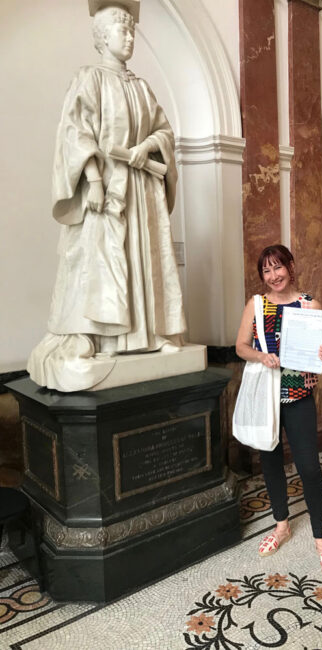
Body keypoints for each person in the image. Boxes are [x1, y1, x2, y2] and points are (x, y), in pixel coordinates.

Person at [28, 4, 186, 391]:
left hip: (142, 188)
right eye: (121, 30)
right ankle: (101, 337)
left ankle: (151, 335)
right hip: (108, 188)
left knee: (146, 258)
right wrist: (94, 178)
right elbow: (75, 132)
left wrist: (146, 146)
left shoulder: (142, 86)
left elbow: (164, 131)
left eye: (132, 31)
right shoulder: (88, 78)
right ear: (101, 37)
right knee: (103, 260)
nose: (129, 37)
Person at [235, 244, 322, 577]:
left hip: (299, 398)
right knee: (270, 462)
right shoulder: (256, 304)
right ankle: (281, 525)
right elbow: (240, 346)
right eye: (266, 270)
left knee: (309, 467)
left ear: (290, 267)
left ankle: (321, 539)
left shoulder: (310, 305)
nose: (273, 275)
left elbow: (320, 348)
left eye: (278, 267)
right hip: (267, 397)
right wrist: (261, 356)